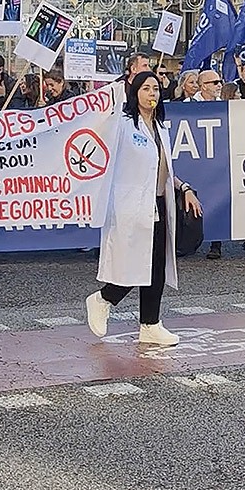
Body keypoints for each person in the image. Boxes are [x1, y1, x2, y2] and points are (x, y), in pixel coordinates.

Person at [85, 71, 201, 347]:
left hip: (159, 202)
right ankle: (103, 299)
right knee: (134, 264)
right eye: (146, 88)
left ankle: (150, 324)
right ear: (134, 92)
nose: (153, 93)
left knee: (156, 267)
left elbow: (164, 168)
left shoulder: (161, 126)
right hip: (132, 205)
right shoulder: (122, 125)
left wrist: (183, 188)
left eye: (157, 89)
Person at [188, 69, 225, 260]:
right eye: (215, 82)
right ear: (203, 86)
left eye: (220, 81)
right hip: (194, 161)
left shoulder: (223, 106)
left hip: (216, 160)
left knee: (217, 199)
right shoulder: (188, 105)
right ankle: (190, 239)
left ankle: (215, 243)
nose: (219, 85)